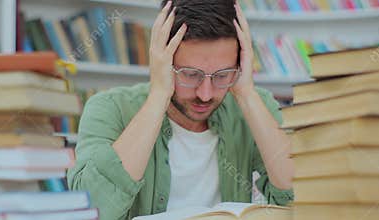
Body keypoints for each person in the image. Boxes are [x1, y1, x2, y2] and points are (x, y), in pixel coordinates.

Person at [67, 0, 294, 219]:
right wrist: (158, 96)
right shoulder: (109, 108)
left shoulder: (253, 103)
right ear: (161, 58)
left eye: (222, 75)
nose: (205, 94)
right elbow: (92, 210)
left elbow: (299, 196)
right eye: (190, 74)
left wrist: (246, 94)